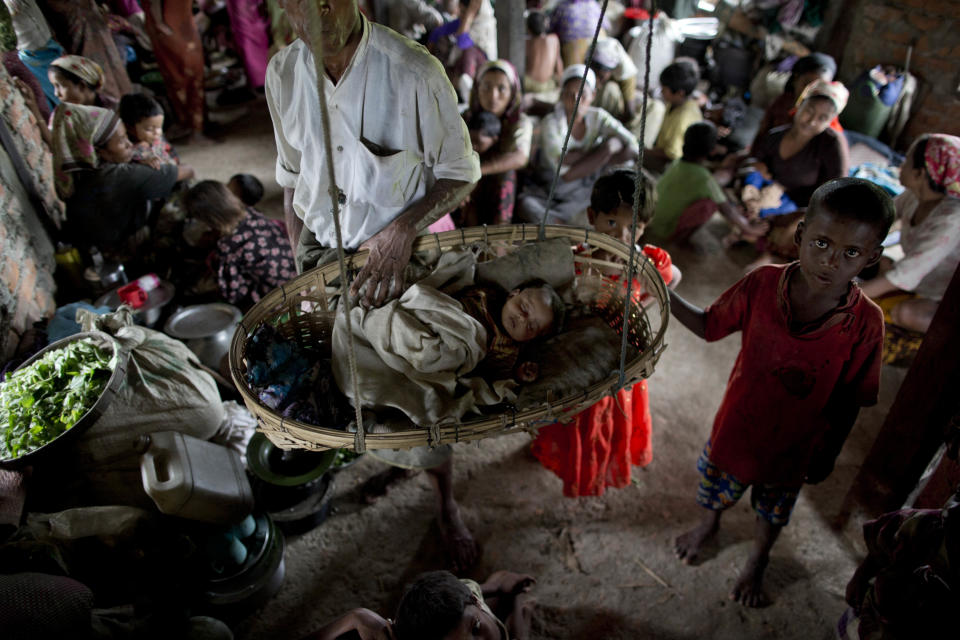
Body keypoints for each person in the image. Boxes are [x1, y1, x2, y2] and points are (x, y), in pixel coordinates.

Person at [266, 0, 479, 570]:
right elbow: (290, 177)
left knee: (425, 390)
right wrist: (297, 252)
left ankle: (444, 498)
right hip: (324, 250)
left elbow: (462, 171)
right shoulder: (283, 73)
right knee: (358, 384)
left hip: (398, 258)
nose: (321, 10)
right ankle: (393, 458)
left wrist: (403, 228)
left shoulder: (413, 71)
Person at [669, 177, 895, 607]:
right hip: (740, 422)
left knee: (774, 507)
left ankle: (758, 558)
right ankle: (709, 526)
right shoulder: (760, 285)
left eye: (851, 253)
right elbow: (709, 326)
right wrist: (664, 292)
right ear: (801, 233)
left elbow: (851, 399)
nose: (831, 261)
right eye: (822, 243)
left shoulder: (866, 322)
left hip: (798, 442)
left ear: (872, 257)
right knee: (717, 483)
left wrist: (829, 452)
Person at [531, 169, 678, 497]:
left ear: (645, 227)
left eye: (634, 227)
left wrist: (643, 307)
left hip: (619, 366)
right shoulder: (578, 260)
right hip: (580, 362)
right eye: (612, 223)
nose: (622, 237)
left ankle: (595, 466)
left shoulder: (645, 262)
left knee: (610, 419)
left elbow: (674, 277)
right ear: (592, 217)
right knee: (570, 416)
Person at [51, 102, 194, 259]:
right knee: (183, 194)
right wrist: (157, 164)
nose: (129, 144)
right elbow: (188, 171)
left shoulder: (81, 171)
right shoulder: (113, 176)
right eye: (121, 141)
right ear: (98, 151)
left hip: (97, 243)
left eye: (127, 136)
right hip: (117, 251)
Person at [859, 134, 960, 334]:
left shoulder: (951, 220)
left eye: (906, 160)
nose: (901, 165)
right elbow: (880, 219)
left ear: (920, 174)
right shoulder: (916, 195)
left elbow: (902, 275)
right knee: (880, 261)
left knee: (905, 313)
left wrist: (839, 301)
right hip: (923, 281)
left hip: (944, 296)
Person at [516, 64, 638, 226]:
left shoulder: (599, 117)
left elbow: (633, 146)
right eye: (569, 94)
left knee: (615, 189)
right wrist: (606, 149)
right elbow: (566, 174)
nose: (575, 100)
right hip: (554, 188)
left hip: (587, 185)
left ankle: (561, 223)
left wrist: (579, 158)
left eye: (583, 94)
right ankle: (563, 223)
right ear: (562, 95)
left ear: (593, 95)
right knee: (526, 204)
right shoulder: (551, 124)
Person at [747, 79, 850, 261]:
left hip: (805, 207)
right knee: (748, 204)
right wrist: (758, 167)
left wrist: (803, 217)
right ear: (800, 105)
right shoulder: (776, 136)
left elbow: (837, 194)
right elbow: (754, 162)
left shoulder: (832, 145)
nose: (811, 121)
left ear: (830, 121)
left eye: (822, 118)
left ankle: (768, 253)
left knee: (798, 232)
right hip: (773, 198)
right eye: (809, 111)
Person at [838, 488, 958, 640]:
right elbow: (883, 539)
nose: (953, 509)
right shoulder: (930, 525)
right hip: (873, 621)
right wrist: (861, 575)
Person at [301, 570, 535, 640]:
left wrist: (508, 589)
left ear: (474, 602)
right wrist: (355, 617)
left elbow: (492, 584)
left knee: (508, 589)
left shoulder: (467, 592)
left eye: (475, 629)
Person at [183, 180, 297, 310]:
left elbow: (233, 293)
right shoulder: (251, 213)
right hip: (299, 280)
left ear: (208, 219)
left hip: (281, 301)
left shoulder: (227, 246)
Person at [648, 121, 768, 243]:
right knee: (710, 204)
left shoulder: (678, 163)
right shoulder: (705, 179)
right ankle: (680, 239)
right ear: (712, 150)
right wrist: (750, 228)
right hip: (664, 231)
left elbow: (707, 170)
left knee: (714, 193)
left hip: (652, 220)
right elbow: (728, 210)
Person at [459, 60, 531, 226]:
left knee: (506, 173)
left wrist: (477, 171)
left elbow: (520, 157)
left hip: (503, 187)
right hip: (469, 182)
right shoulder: (464, 118)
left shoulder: (520, 122)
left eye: (502, 88)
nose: (493, 96)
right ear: (476, 89)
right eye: (486, 87)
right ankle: (468, 237)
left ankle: (500, 238)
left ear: (513, 92)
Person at [40, 0, 133, 102]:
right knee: (93, 78)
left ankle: (128, 105)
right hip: (77, 34)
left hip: (94, 26)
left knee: (114, 72)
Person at [141, 0, 206, 142]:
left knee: (191, 75)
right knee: (181, 79)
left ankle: (197, 125)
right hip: (171, 27)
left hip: (181, 24)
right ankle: (193, 127)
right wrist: (160, 24)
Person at [753, 52, 838, 152]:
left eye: (818, 87)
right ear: (795, 79)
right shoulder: (782, 102)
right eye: (806, 84)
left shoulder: (827, 116)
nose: (808, 92)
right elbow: (762, 133)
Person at [644, 57, 701, 172]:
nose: (661, 92)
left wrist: (644, 151)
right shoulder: (674, 103)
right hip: (662, 153)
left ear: (680, 93)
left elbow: (672, 154)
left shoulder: (683, 116)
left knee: (631, 153)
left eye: (664, 89)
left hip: (672, 166)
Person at [118, 92, 179, 167]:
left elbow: (171, 151)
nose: (157, 132)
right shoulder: (128, 150)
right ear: (130, 128)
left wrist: (175, 162)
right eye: (149, 129)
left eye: (159, 127)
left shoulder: (159, 140)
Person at [549, 0, 608, 67]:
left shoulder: (561, 6)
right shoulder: (593, 4)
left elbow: (550, 27)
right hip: (597, 43)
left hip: (575, 45)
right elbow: (606, 25)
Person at [48, 55, 117, 109]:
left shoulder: (116, 112)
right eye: (54, 86)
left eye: (60, 86)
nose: (56, 93)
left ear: (82, 86)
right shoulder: (66, 118)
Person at [523, 10, 562, 95]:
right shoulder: (554, 39)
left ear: (528, 29)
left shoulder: (525, 42)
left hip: (528, 84)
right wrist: (560, 85)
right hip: (546, 86)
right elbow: (558, 67)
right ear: (546, 25)